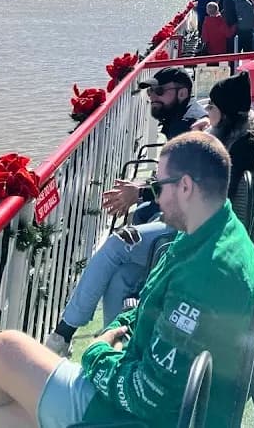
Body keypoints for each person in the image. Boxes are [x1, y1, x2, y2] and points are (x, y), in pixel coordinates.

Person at [0, 134, 254, 428]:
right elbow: (152, 309)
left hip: (148, 418)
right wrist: (117, 332)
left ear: (185, 186)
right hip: (171, 399)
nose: (155, 196)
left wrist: (98, 352)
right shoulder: (213, 235)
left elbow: (148, 395)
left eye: (158, 186)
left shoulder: (206, 273)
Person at [43, 69, 206, 355]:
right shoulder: (178, 120)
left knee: (118, 242)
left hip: (189, 228)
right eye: (149, 92)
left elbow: (188, 184)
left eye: (159, 91)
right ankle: (117, 352)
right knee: (120, 278)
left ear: (182, 92)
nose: (151, 97)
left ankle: (62, 334)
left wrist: (140, 192)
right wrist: (143, 191)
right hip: (174, 219)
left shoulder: (190, 127)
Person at [207, 71, 254, 193]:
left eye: (211, 105)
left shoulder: (241, 149)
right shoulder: (241, 132)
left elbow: (224, 192)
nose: (206, 109)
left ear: (225, 114)